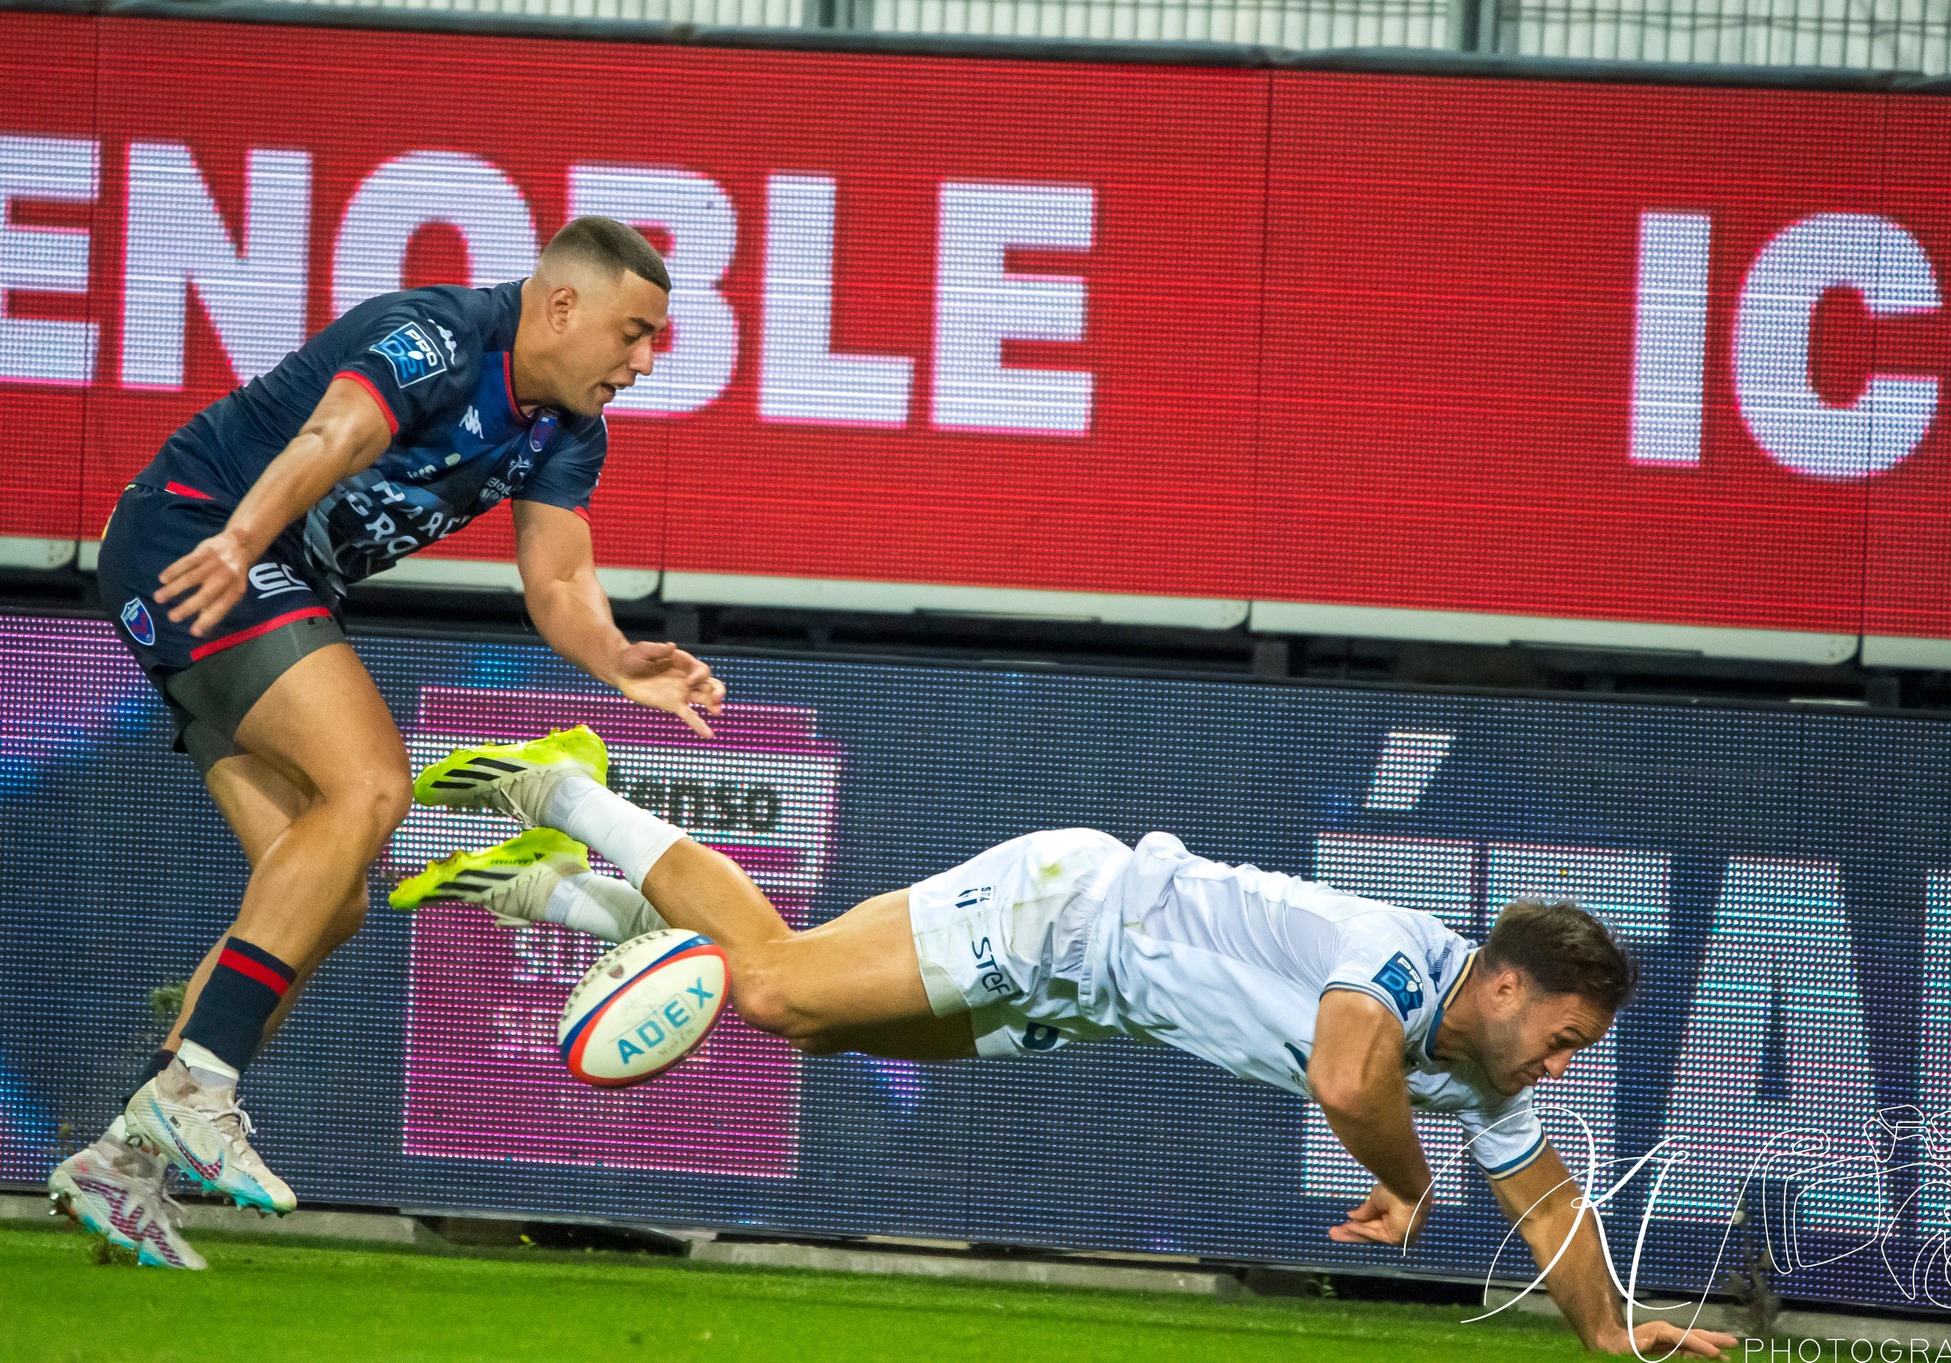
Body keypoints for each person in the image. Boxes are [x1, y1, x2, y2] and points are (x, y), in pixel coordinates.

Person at [398, 728, 1738, 1359]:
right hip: (1067, 910)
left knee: (792, 1012)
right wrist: (1411, 1181)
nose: (1562, 1064)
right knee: (776, 991)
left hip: (1082, 993)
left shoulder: (1481, 1058)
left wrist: (1612, 1330)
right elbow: (1349, 1075)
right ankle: (567, 784)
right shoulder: (1400, 956)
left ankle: (561, 892)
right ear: (1503, 982)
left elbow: (1551, 1195)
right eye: (1562, 1036)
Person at [46, 223, 727, 1270]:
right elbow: (336, 438)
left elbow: (556, 581)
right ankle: (195, 1085)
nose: (644, 361)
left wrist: (619, 659)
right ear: (559, 308)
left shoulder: (567, 430)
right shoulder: (438, 337)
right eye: (632, 333)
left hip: (252, 574)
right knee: (371, 782)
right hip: (197, 541)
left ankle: (123, 1162)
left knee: (327, 892)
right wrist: (235, 539)